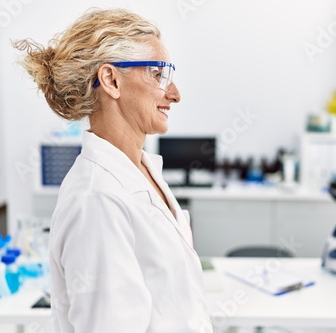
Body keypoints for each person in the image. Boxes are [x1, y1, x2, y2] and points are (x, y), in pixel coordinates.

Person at [13, 8, 213, 333]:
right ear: (111, 80)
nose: (175, 94)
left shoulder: (142, 170)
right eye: (158, 74)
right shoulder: (96, 199)